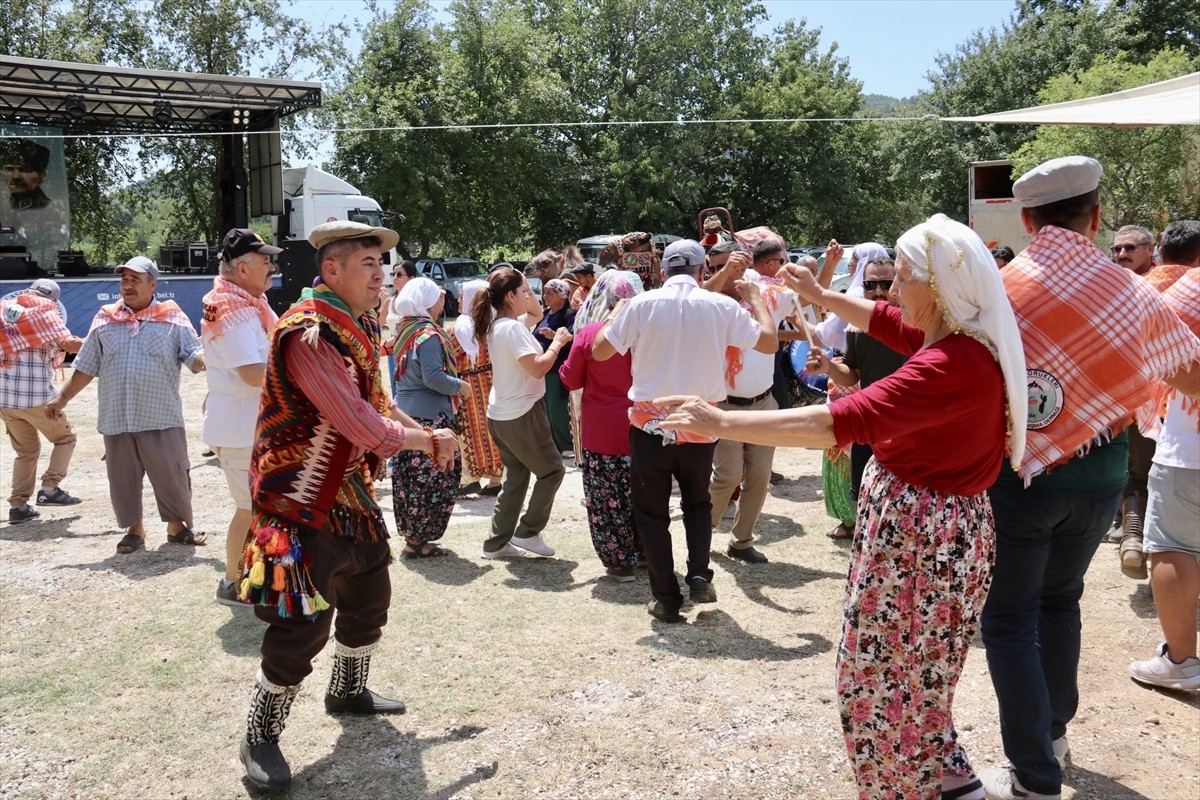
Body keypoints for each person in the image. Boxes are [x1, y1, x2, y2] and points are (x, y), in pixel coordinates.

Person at [654, 214, 1028, 800]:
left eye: (902, 278)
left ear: (939, 288)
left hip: (921, 538)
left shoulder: (947, 364)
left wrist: (722, 419)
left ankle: (909, 787)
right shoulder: (962, 339)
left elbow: (836, 421)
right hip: (929, 529)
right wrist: (820, 294)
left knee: (880, 678)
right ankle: (940, 776)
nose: (891, 291)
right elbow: (887, 325)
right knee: (915, 674)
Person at [976, 157, 1200, 800]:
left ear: (1024, 218)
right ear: (1097, 216)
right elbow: (1189, 373)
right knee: (1061, 601)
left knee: (1010, 618)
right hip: (1102, 476)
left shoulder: (1000, 290)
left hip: (1018, 476)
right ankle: (1054, 737)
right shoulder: (1132, 290)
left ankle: (1036, 774)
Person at [235, 221, 458, 791]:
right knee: (301, 624)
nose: (380, 273)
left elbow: (376, 403)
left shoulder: (352, 325)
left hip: (345, 493)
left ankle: (348, 689)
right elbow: (360, 424)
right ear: (331, 270)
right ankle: (261, 733)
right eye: (367, 263)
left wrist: (425, 428)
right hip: (299, 499)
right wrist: (427, 440)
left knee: (368, 594)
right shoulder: (308, 332)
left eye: (381, 264)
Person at [593, 239, 777, 623]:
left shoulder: (642, 304)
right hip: (699, 420)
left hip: (649, 422)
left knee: (651, 512)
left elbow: (600, 351)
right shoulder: (722, 305)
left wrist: (618, 312)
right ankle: (698, 574)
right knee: (698, 503)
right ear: (701, 272)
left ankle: (666, 598)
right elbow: (769, 341)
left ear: (663, 272)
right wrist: (756, 298)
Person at [46, 257, 207, 553]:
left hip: (160, 414)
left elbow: (193, 354)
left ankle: (176, 527)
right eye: (124, 280)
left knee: (172, 472)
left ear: (153, 284)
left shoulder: (172, 316)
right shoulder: (106, 317)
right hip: (117, 415)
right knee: (123, 478)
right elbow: (86, 364)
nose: (128, 285)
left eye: (136, 279)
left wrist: (211, 359)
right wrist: (63, 397)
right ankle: (135, 530)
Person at [704, 236, 798, 564]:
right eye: (716, 268)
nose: (729, 272)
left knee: (759, 477)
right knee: (727, 476)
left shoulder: (765, 294)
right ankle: (704, 531)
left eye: (734, 265)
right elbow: (698, 297)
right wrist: (724, 273)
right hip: (725, 405)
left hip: (763, 404)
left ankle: (741, 541)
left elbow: (810, 300)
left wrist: (826, 266)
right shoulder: (710, 303)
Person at [1128, 266, 1200, 691]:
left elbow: (1151, 344)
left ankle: (1181, 662)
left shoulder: (1191, 287)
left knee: (1174, 546)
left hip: (1189, 450)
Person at [201, 228, 281, 605]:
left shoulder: (244, 305)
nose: (273, 266)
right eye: (266, 260)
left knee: (256, 508)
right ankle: (232, 582)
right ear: (243, 267)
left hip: (246, 425)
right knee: (249, 509)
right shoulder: (233, 310)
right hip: (240, 429)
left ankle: (247, 576)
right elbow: (251, 373)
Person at [472, 267, 570, 559]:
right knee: (552, 470)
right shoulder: (511, 328)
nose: (531, 296)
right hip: (521, 412)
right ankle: (527, 532)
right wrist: (558, 343)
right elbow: (538, 367)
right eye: (525, 291)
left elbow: (536, 314)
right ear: (511, 295)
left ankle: (497, 543)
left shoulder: (500, 325)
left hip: (503, 413)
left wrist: (524, 287)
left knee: (516, 477)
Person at [559, 269, 645, 581]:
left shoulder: (590, 333)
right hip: (643, 427)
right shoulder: (648, 333)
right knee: (644, 494)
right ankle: (647, 552)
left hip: (601, 432)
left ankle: (620, 561)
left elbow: (570, 379)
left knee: (607, 500)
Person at [808, 257, 909, 514]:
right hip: (872, 421)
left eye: (886, 283)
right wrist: (829, 367)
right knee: (865, 497)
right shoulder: (856, 328)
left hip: (909, 423)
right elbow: (852, 374)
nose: (878, 291)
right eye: (870, 284)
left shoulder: (916, 324)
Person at [390, 277, 468, 558]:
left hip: (406, 416)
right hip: (430, 418)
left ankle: (414, 538)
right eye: (438, 296)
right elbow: (433, 378)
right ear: (428, 302)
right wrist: (462, 386)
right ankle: (419, 542)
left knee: (411, 479)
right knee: (434, 479)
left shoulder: (405, 329)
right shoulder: (429, 334)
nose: (442, 300)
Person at [1, 279, 83, 523]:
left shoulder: (5, 311)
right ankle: (49, 488)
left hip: (5, 399)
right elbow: (68, 344)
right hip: (36, 398)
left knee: (25, 452)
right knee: (65, 438)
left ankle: (18, 505)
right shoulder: (44, 315)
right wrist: (101, 342)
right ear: (54, 300)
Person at [448, 279, 504, 496]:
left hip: (468, 385)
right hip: (491, 380)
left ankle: (470, 478)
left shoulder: (460, 328)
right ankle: (495, 479)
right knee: (490, 431)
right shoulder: (492, 323)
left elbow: (448, 353)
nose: (459, 299)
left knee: (470, 431)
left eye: (463, 295)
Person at [534, 277, 576, 455]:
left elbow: (574, 338)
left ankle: (566, 445)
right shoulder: (544, 313)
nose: (545, 296)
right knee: (545, 408)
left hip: (557, 368)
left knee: (556, 407)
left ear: (562, 295)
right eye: (544, 292)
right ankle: (553, 444)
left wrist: (554, 337)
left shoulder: (569, 314)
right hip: (542, 367)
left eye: (550, 292)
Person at [383, 259, 418, 387]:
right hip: (392, 352)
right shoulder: (389, 301)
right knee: (396, 393)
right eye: (393, 274)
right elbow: (375, 326)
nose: (395, 278)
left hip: (411, 352)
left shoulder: (417, 302)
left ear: (411, 278)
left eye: (399, 274)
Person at [1, 138, 51, 210]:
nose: (15, 176)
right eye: (9, 169)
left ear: (41, 176)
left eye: (25, 170)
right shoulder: (5, 206)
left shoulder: (49, 210)